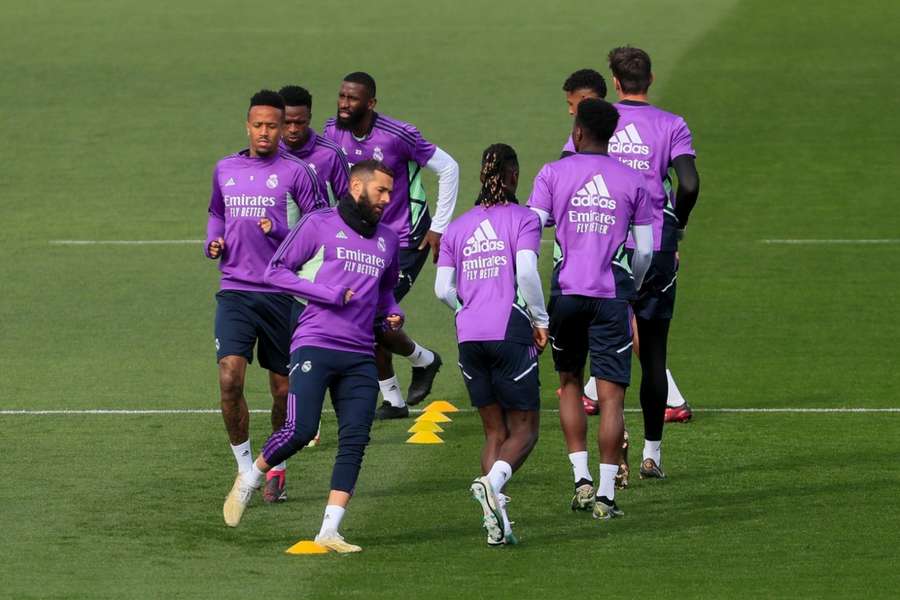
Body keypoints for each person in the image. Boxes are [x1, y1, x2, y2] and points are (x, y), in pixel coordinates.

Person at [222, 160, 403, 553]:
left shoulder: (388, 240)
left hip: (359, 353)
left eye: (390, 192)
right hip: (315, 342)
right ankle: (250, 479)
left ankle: (330, 531)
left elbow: (387, 291)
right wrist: (329, 294)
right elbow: (276, 272)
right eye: (381, 191)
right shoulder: (319, 223)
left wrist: (392, 313)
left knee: (355, 439)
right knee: (301, 430)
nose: (388, 200)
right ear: (357, 187)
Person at [527, 99, 653, 519]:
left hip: (565, 293)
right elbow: (647, 250)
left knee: (568, 383)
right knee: (611, 397)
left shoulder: (552, 172)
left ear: (577, 133)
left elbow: (531, 229)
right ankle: (605, 495)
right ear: (613, 135)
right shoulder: (633, 181)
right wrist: (630, 286)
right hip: (611, 296)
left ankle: (580, 479)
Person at [205, 90, 325, 505]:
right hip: (236, 290)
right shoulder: (226, 168)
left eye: (272, 126)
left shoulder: (297, 173)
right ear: (248, 126)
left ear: (283, 127)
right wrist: (213, 241)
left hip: (282, 294)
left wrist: (277, 233)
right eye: (258, 125)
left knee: (281, 391)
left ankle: (276, 463)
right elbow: (216, 211)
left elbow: (321, 226)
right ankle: (243, 469)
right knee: (229, 378)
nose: (265, 132)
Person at [591, 47, 701, 480]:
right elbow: (689, 183)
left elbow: (572, 169)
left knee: (607, 351)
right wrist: (677, 224)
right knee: (654, 354)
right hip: (655, 246)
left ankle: (610, 451)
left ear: (614, 82)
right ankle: (651, 454)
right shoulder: (672, 124)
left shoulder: (597, 120)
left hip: (605, 248)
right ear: (650, 79)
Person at [323, 72, 460, 419]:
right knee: (364, 314)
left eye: (352, 98)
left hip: (404, 241)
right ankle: (395, 400)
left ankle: (424, 360)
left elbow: (449, 169)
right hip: (359, 241)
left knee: (369, 312)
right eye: (341, 96)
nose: (343, 103)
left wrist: (439, 228)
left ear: (370, 103)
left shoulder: (399, 135)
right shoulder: (330, 133)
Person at [435, 144, 548, 545]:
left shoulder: (457, 227)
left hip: (468, 335)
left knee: (493, 431)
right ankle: (492, 485)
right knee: (526, 429)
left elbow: (441, 289)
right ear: (514, 175)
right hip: (510, 331)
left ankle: (494, 525)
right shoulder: (524, 219)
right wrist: (541, 319)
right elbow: (528, 273)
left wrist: (468, 309)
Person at [278, 85, 350, 204]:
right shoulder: (269, 152)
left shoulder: (331, 154)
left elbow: (348, 202)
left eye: (299, 122)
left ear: (309, 118)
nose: (293, 129)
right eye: (287, 122)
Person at [560, 68, 608, 159]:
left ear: (585, 101)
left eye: (571, 104)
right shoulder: (581, 132)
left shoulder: (583, 133)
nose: (570, 111)